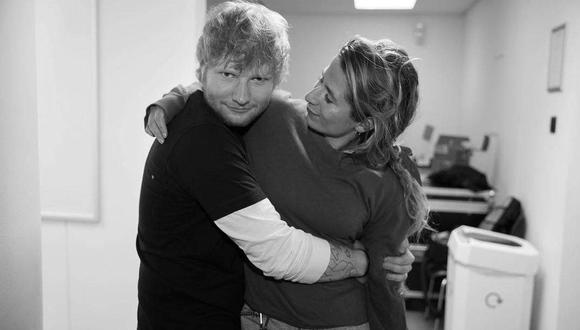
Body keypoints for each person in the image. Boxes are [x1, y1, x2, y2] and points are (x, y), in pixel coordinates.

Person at [137, 2, 414, 330]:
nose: (311, 96)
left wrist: (386, 262)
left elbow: (387, 285)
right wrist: (173, 98)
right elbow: (223, 74)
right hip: (253, 318)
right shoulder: (273, 116)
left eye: (329, 98)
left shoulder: (386, 180)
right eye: (320, 81)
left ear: (364, 123)